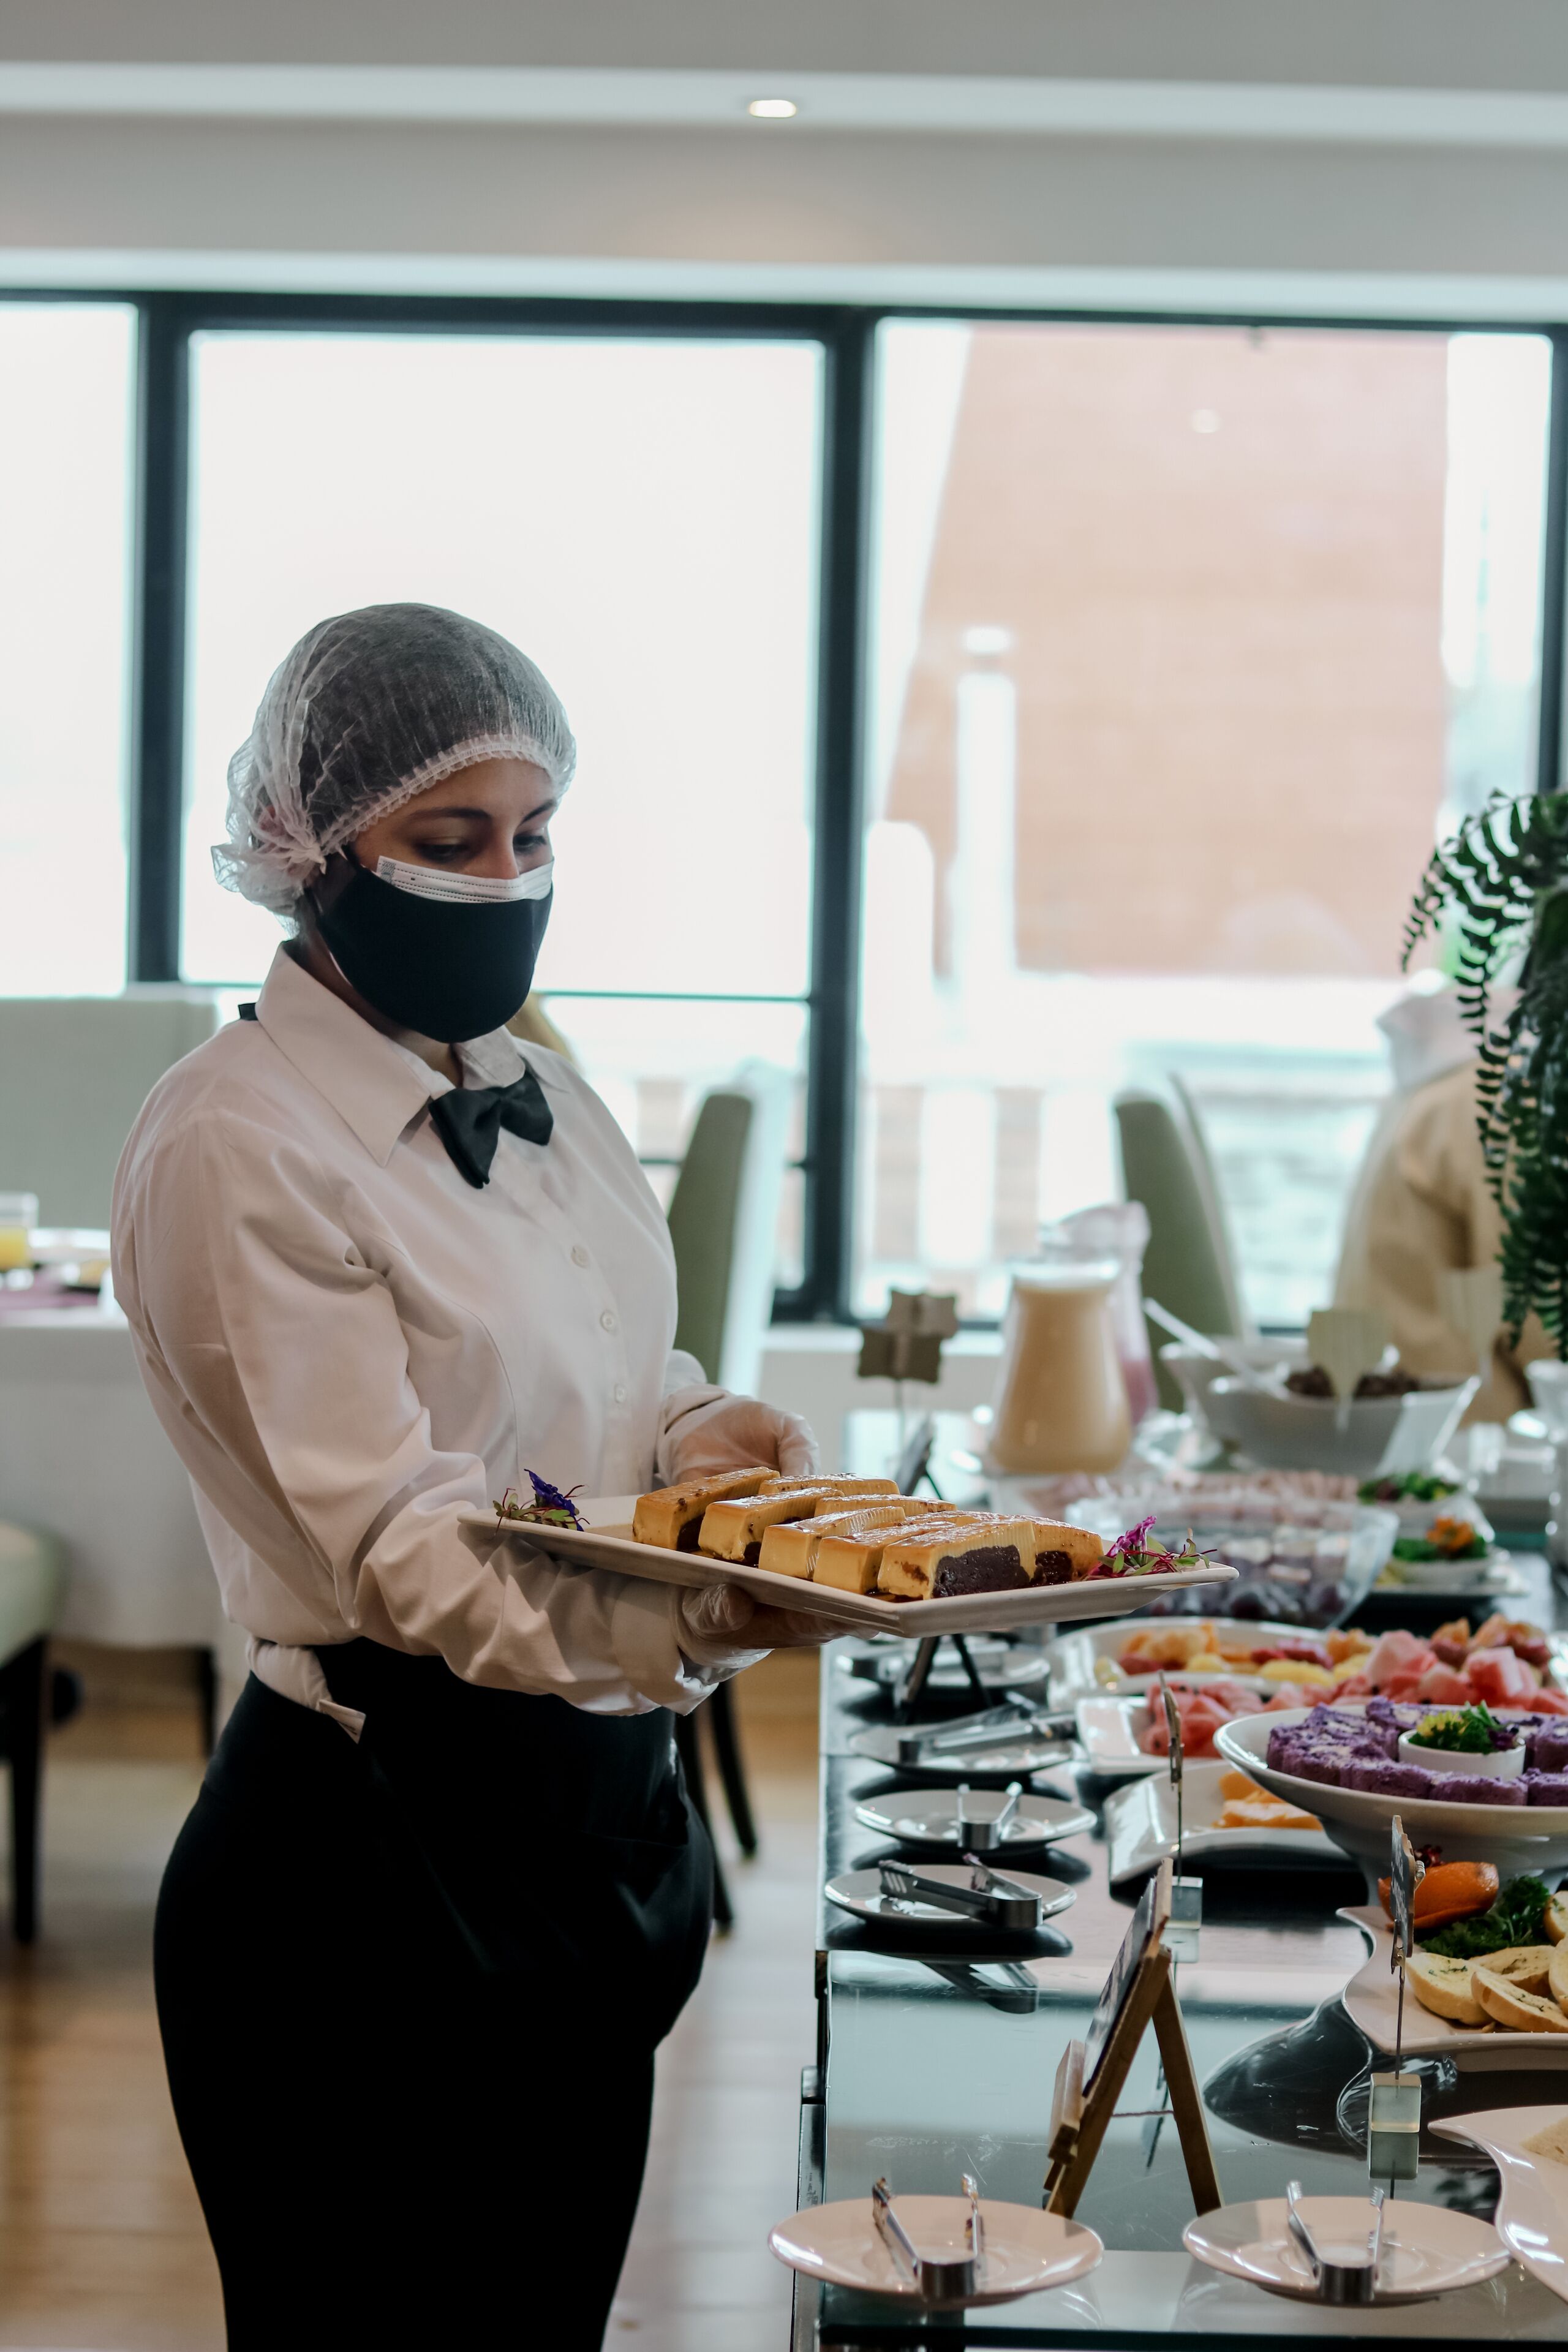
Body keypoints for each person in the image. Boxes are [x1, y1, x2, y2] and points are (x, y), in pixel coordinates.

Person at [111, 603, 827, 2350]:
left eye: (535, 836)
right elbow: (401, 1548)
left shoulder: (545, 1095)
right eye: (449, 842)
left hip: (587, 1835)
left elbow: (596, 1382)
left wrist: (693, 1439)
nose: (507, 879)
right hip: (361, 1880)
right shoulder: (235, 1141)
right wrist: (706, 1619)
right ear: (312, 851)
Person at [1334, 975, 1548, 1419]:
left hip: (1377, 1420)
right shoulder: (1507, 1098)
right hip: (1458, 1438)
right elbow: (1544, 1323)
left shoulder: (1449, 1080)